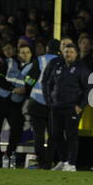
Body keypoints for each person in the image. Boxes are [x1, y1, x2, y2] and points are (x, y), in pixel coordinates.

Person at [42, 43, 91, 172]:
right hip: (56, 107)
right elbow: (49, 84)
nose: (68, 54)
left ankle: (72, 164)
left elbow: (88, 90)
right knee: (56, 134)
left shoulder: (82, 69)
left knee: (71, 136)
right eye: (66, 52)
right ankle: (64, 161)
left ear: (76, 54)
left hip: (72, 108)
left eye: (70, 52)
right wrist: (49, 101)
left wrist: (80, 106)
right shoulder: (58, 66)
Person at [0, 44, 32, 168]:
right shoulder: (8, 63)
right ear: (18, 53)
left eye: (27, 52)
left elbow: (32, 84)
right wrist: (13, 89)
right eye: (22, 52)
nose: (25, 55)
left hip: (15, 104)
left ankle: (8, 155)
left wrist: (25, 90)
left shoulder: (32, 68)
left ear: (31, 54)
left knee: (17, 128)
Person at [24, 39, 60, 169]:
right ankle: (48, 162)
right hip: (54, 105)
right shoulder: (63, 62)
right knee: (53, 135)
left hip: (36, 102)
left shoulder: (40, 60)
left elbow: (28, 79)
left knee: (38, 135)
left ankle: (41, 159)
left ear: (47, 48)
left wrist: (30, 87)